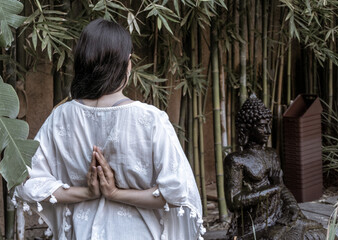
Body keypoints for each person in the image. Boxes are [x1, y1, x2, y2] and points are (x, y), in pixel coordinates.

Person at [15, 18, 204, 240]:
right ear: (128, 63)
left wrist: (87, 192)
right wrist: (115, 193)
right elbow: (178, 191)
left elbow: (25, 181)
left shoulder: (61, 117)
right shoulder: (151, 119)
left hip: (81, 233)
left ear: (82, 63)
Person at [224, 94, 327, 240]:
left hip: (278, 217)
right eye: (261, 126)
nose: (268, 131)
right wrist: (274, 188)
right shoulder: (235, 160)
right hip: (253, 226)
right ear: (247, 129)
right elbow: (234, 202)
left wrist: (293, 207)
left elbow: (281, 186)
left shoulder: (271, 154)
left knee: (320, 234)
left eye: (268, 125)